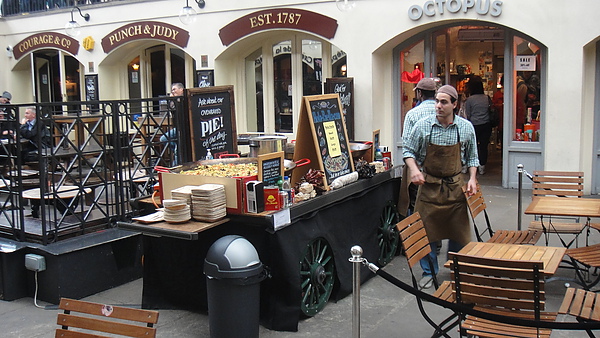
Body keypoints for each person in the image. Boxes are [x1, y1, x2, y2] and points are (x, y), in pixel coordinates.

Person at [403, 84, 479, 289]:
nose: (438, 106)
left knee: (458, 233)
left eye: (444, 102)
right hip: (429, 187)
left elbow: (473, 157)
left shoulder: (465, 128)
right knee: (425, 232)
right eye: (437, 101)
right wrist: (414, 169)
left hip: (455, 187)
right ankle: (429, 272)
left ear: (455, 105)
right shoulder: (423, 126)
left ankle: (456, 268)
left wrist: (472, 178)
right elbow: (408, 151)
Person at [398, 77, 437, 218]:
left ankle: (418, 237)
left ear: (420, 93)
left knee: (417, 207)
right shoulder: (444, 112)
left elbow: (407, 144)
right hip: (440, 170)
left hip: (419, 170)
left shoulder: (412, 114)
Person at [464, 78, 492, 175]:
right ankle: (482, 166)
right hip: (486, 124)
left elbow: (468, 114)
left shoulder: (470, 100)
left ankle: (471, 165)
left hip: (474, 125)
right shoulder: (486, 98)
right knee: (484, 146)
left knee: (472, 146)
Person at [160, 83, 184, 166]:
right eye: (172, 90)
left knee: (178, 152)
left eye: (174, 89)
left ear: (181, 90)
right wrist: (172, 100)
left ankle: (174, 169)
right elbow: (172, 109)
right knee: (163, 139)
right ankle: (179, 149)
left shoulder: (184, 99)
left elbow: (181, 109)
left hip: (184, 128)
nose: (173, 91)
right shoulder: (174, 101)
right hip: (177, 128)